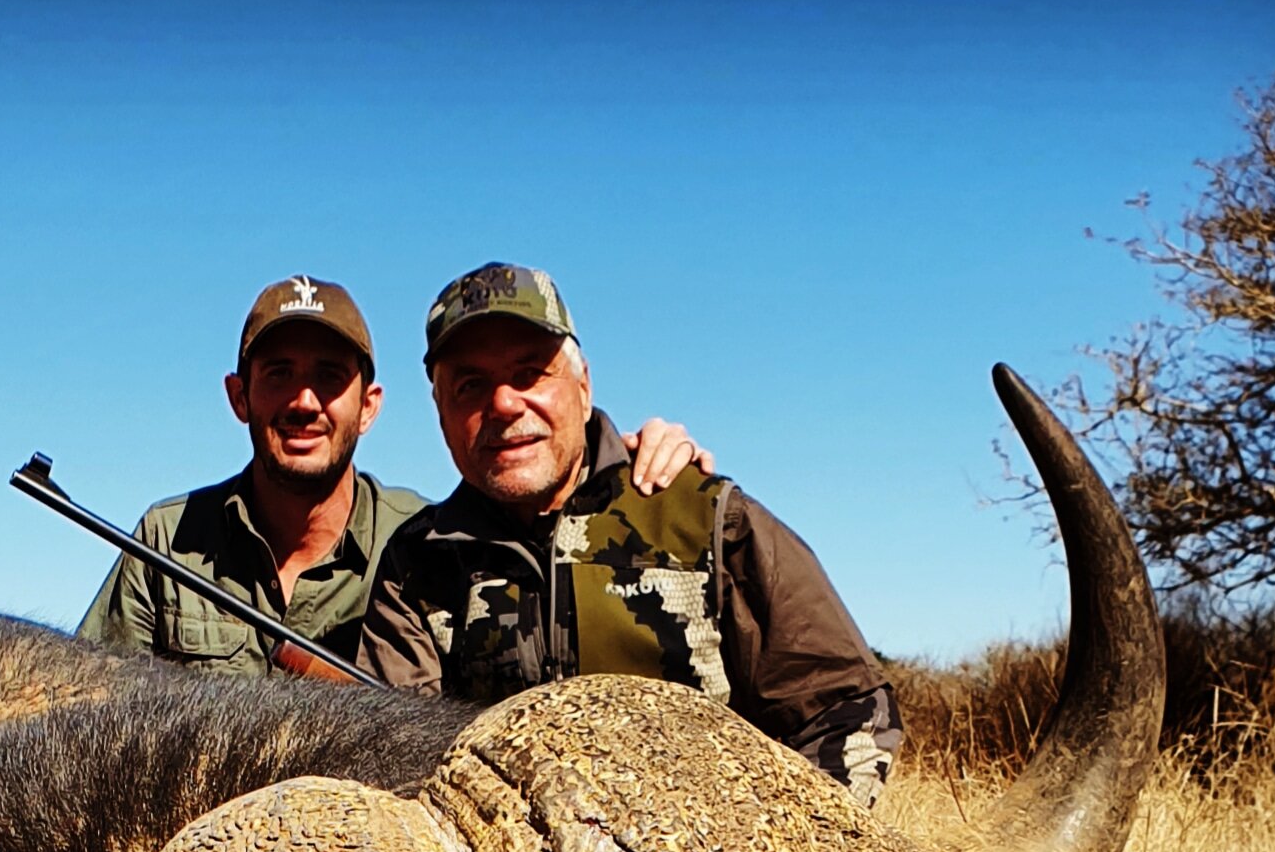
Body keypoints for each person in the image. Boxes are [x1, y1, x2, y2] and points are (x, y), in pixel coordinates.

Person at [356, 263, 900, 805]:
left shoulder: (709, 519)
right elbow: (389, 764)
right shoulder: (416, 564)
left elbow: (847, 709)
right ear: (441, 411)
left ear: (583, 386)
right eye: (470, 385)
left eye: (529, 373)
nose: (503, 404)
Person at [77, 275, 710, 677]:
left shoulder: (426, 545)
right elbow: (86, 705)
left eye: (330, 376)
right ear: (239, 397)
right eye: (278, 375)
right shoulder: (165, 537)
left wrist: (637, 466)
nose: (304, 401)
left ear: (370, 405)